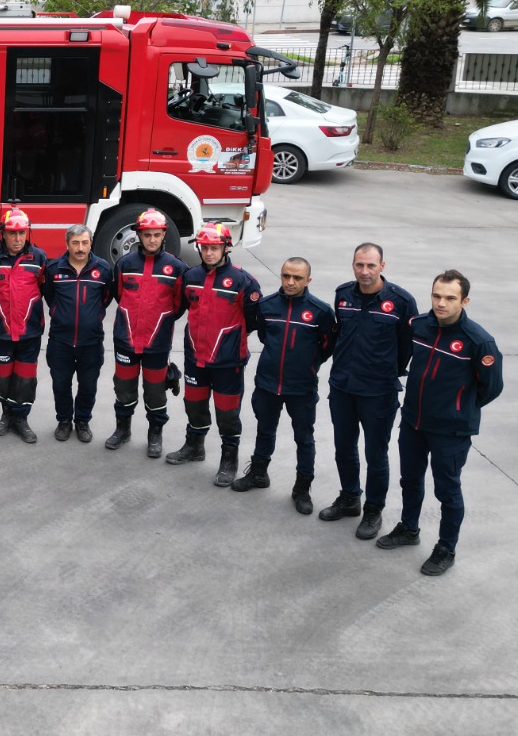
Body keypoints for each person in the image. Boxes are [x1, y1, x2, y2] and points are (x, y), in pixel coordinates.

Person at [377, 270, 503, 576]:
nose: (441, 303)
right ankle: (409, 529)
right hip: (414, 422)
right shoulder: (419, 325)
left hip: (451, 430)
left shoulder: (479, 341)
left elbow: (491, 387)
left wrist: (458, 408)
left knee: (447, 490)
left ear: (464, 301)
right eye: (436, 296)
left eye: (450, 298)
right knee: (410, 480)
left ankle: (446, 548)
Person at [321, 242, 418, 541]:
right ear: (353, 265)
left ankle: (374, 510)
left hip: (378, 392)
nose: (365, 271)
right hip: (342, 387)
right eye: (359, 265)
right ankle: (350, 497)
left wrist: (386, 370)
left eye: (371, 265)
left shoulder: (401, 301)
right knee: (344, 447)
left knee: (375, 454)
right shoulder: (343, 294)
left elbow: (407, 346)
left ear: (382, 267)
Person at [233, 257, 336, 512]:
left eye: (297, 278)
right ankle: (258, 474)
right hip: (267, 383)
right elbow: (264, 336)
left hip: (301, 388)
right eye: (286, 276)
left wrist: (308, 365)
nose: (290, 282)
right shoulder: (266, 306)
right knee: (264, 431)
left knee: (304, 439)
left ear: (308, 280)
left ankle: (302, 489)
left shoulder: (321, 312)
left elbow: (326, 347)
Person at [168, 223, 261, 486]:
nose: (209, 253)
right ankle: (194, 447)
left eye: (215, 248)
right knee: (194, 405)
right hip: (195, 357)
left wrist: (230, 340)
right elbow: (182, 307)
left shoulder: (244, 281)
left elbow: (253, 320)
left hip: (227, 362)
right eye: (205, 248)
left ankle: (229, 460)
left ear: (226, 248)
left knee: (227, 413)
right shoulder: (191, 276)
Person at [109, 209, 186, 456]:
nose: (152, 239)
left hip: (157, 343)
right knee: (123, 388)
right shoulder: (124, 264)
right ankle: (123, 430)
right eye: (147, 234)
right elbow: (119, 295)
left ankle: (155, 435)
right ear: (139, 235)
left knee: (155, 392)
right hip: (126, 339)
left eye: (156, 234)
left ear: (163, 235)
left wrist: (160, 322)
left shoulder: (177, 267)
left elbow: (178, 305)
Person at [0, 207, 50, 443]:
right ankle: (6, 415)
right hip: (1, 331)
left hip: (30, 331)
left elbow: (45, 289)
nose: (18, 239)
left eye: (22, 233)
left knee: (25, 379)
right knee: (3, 377)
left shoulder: (39, 257)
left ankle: (21, 419)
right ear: (3, 233)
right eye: (12, 233)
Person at [42, 225, 115, 443]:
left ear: (91, 243)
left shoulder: (103, 270)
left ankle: (82, 421)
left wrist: (92, 317)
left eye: (84, 242)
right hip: (60, 341)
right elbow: (49, 296)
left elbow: (106, 298)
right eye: (75, 243)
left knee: (88, 385)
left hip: (91, 341)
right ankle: (64, 421)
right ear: (67, 244)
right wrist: (60, 314)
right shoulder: (53, 269)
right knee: (60, 385)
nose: (80, 248)